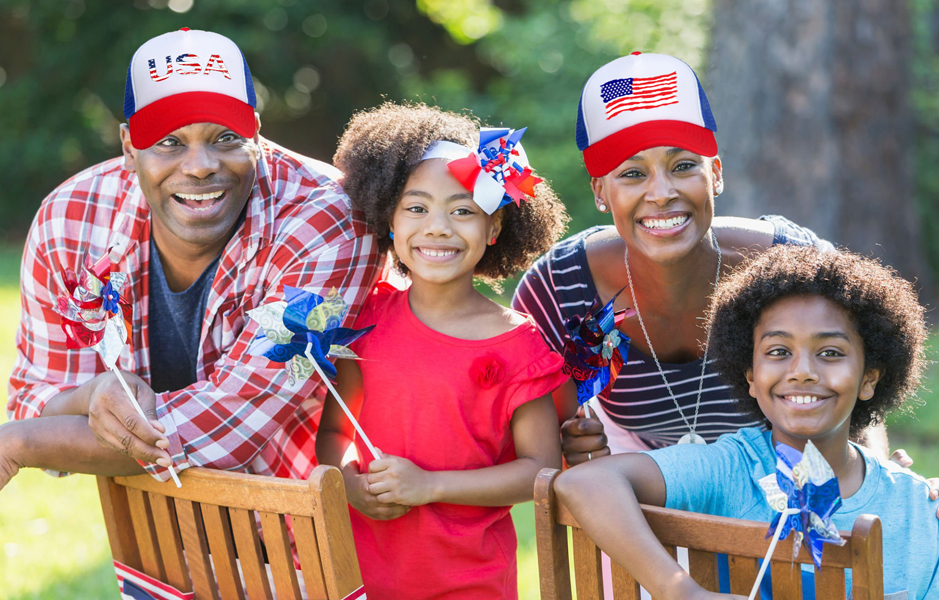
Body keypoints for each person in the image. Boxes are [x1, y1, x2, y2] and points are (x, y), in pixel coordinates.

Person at [511, 52, 939, 528]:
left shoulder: (787, 262)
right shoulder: (559, 287)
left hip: (775, 503)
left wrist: (886, 491)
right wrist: (571, 444)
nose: (661, 193)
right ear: (600, 191)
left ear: (715, 174)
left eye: (683, 166)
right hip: (638, 507)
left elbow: (852, 398)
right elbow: (529, 435)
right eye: (632, 173)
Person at [0, 28, 380, 490]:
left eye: (224, 137)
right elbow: (33, 395)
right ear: (127, 146)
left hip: (306, 540)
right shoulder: (72, 220)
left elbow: (227, 428)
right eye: (169, 142)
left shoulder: (327, 220)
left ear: (256, 133)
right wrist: (92, 394)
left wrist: (20, 444)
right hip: (149, 546)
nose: (200, 165)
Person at [555, 245, 939, 599]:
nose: (802, 371)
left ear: (869, 379)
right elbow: (583, 482)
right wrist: (680, 590)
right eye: (777, 352)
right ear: (751, 377)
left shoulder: (916, 508)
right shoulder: (731, 469)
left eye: (830, 353)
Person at [316, 102, 569, 599]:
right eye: (416, 207)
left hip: (468, 581)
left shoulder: (518, 343)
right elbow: (333, 430)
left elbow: (541, 469)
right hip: (359, 572)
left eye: (463, 210)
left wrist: (429, 486)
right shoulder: (365, 319)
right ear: (389, 219)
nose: (437, 227)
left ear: (494, 229)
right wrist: (349, 484)